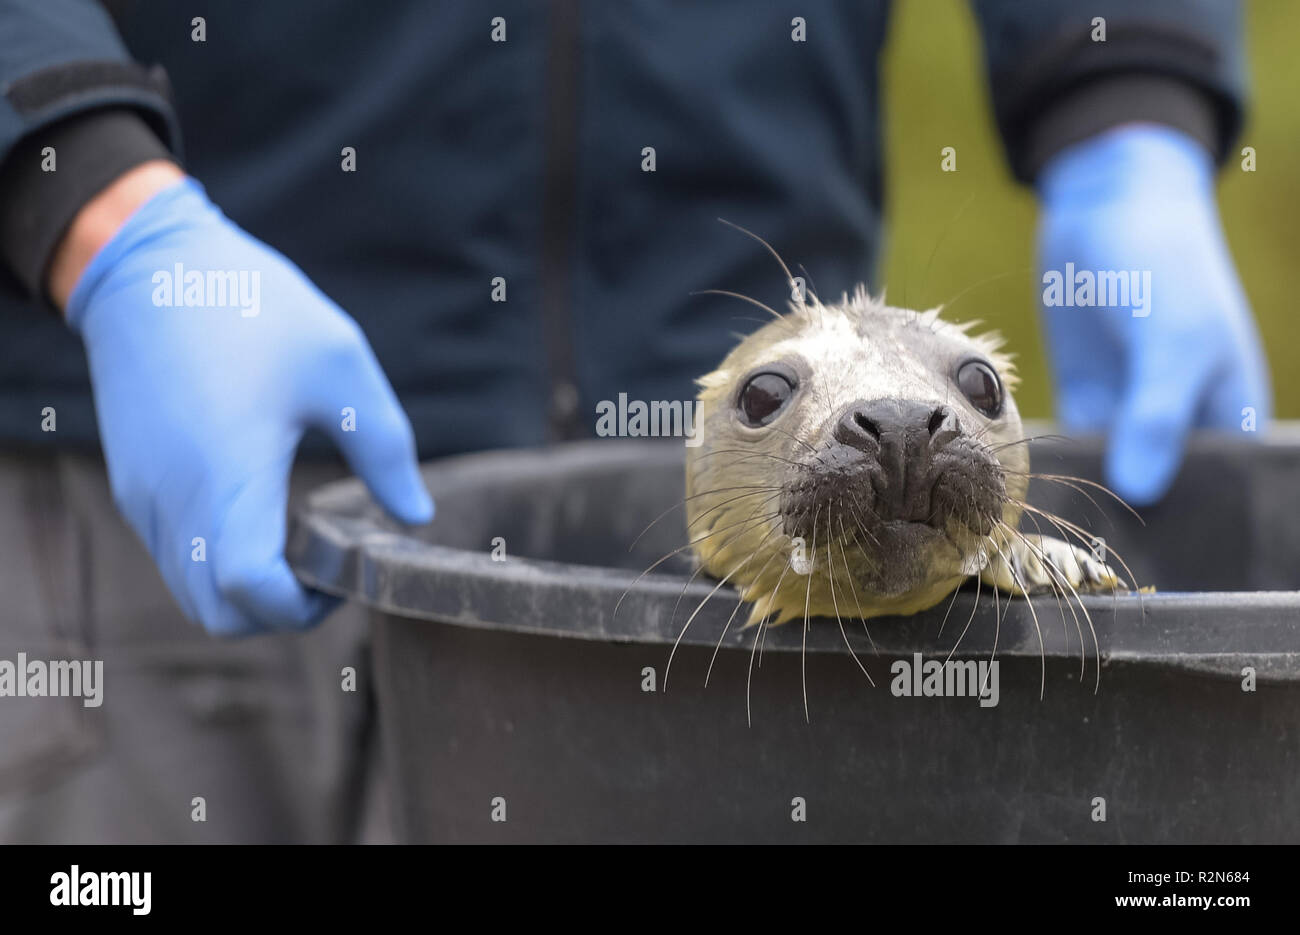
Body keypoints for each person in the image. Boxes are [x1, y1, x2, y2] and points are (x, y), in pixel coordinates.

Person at [0, 0, 1270, 842]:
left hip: (780, 618)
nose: (902, 430)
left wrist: (1125, 103)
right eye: (779, 401)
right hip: (158, 463)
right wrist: (91, 193)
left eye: (973, 398)